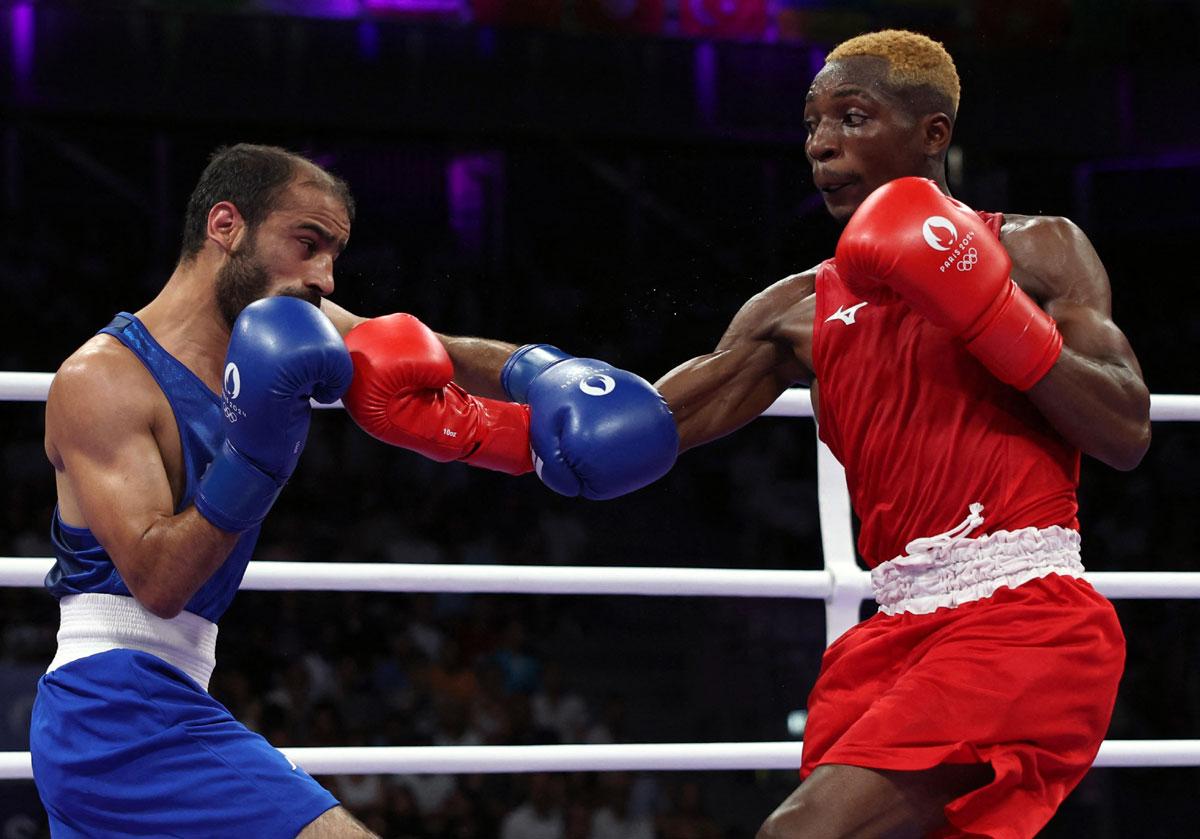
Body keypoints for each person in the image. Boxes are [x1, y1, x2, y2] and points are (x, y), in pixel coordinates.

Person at [347, 29, 1151, 838]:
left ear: (933, 133)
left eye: (853, 117)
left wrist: (987, 308)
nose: (822, 144)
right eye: (811, 124)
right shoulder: (793, 311)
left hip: (1025, 617)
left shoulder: (1035, 250)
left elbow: (1125, 428)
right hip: (897, 634)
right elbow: (625, 432)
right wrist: (451, 411)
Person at [35, 144, 375, 837]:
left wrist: (551, 382)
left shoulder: (281, 329)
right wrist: (258, 457)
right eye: (307, 244)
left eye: (334, 254)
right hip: (114, 711)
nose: (327, 279)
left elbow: (431, 356)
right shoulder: (100, 379)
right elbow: (159, 581)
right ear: (227, 225)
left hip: (155, 701)